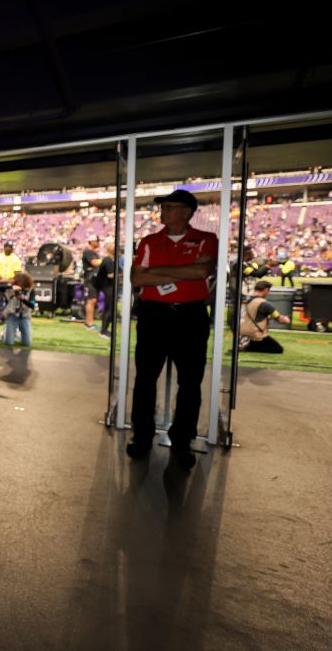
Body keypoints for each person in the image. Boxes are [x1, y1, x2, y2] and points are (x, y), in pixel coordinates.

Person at [127, 189, 218, 471]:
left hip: (190, 316)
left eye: (169, 207)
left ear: (187, 211)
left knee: (190, 383)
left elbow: (202, 273)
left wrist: (157, 273)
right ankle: (142, 437)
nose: (163, 211)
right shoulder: (150, 240)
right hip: (154, 315)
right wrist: (183, 270)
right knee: (145, 380)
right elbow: (137, 277)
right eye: (163, 207)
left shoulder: (206, 239)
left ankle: (181, 442)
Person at [238, 280, 289, 353]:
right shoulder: (264, 304)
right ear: (266, 290)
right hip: (255, 335)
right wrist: (287, 319)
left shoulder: (245, 300)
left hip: (241, 333)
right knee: (278, 349)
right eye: (268, 290)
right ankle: (250, 347)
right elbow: (281, 320)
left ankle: (246, 344)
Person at [1, 271, 37, 347]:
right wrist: (11, 288)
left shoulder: (31, 291)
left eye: (19, 281)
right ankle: (4, 333)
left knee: (27, 343)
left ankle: (16, 333)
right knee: (9, 342)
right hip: (12, 315)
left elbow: (32, 305)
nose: (18, 283)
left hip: (24, 317)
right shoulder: (10, 289)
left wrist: (22, 298)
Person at [0, 241, 23, 318]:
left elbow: (18, 272)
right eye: (7, 247)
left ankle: (8, 317)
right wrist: (2, 279)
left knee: (10, 301)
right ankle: (0, 317)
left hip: (11, 283)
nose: (9, 249)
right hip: (0, 283)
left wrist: (11, 279)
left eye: (10, 247)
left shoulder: (15, 258)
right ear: (4, 248)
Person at [96, 241, 117, 337]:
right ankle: (104, 330)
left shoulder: (107, 259)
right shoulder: (108, 260)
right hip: (108, 287)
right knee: (110, 309)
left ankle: (104, 330)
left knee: (108, 308)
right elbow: (110, 275)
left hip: (107, 286)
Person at [82, 235, 102, 330]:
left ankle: (89, 322)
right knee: (91, 300)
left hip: (94, 279)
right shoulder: (89, 252)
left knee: (93, 301)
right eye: (97, 241)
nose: (98, 242)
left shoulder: (92, 252)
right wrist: (106, 260)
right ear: (92, 242)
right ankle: (89, 323)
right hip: (90, 279)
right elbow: (94, 263)